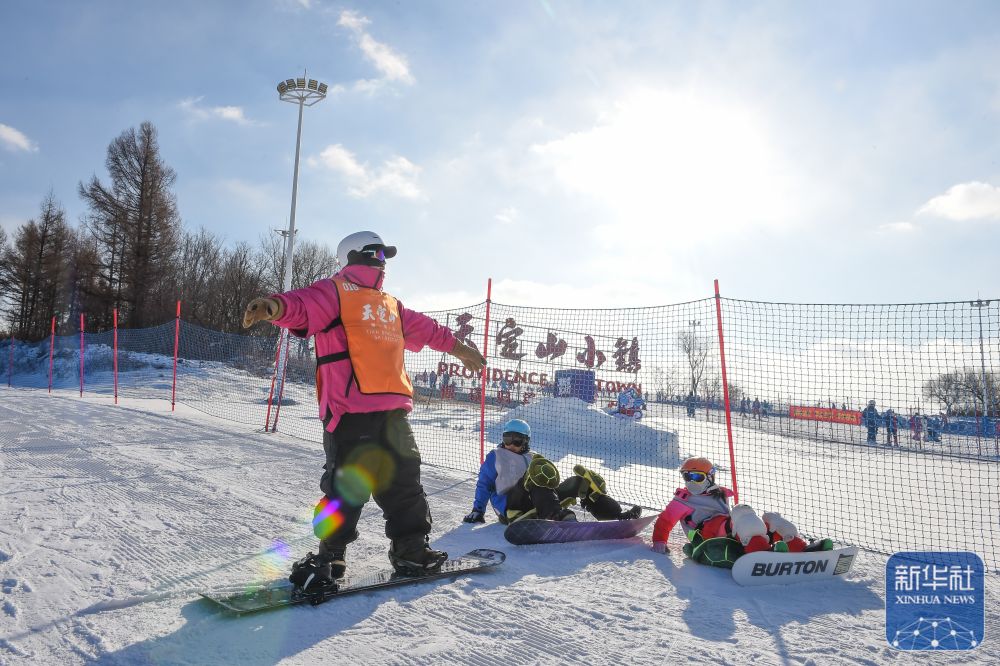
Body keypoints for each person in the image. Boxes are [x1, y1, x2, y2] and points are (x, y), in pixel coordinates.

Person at [242, 230, 487, 589]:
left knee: (404, 483)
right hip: (348, 410)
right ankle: (330, 556)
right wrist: (274, 306)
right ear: (351, 257)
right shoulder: (334, 291)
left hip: (393, 411)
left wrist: (459, 348)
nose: (379, 261)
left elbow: (428, 329)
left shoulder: (391, 305)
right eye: (373, 253)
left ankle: (411, 550)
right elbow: (302, 305)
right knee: (346, 489)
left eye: (384, 255)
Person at [650, 457, 827, 565]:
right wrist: (659, 541)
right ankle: (762, 556)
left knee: (769, 520)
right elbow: (665, 521)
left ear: (710, 477)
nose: (691, 481)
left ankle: (801, 549)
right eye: (686, 476)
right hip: (705, 536)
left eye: (697, 477)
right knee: (743, 513)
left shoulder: (717, 493)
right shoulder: (682, 499)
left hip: (724, 529)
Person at [462, 419, 642, 525]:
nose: (510, 444)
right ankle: (557, 516)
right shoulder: (496, 455)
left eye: (516, 440)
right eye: (507, 439)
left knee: (579, 482)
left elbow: (550, 485)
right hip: (512, 508)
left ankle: (615, 516)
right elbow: (484, 483)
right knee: (535, 478)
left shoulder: (534, 457)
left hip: (537, 502)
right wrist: (478, 510)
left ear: (525, 441)